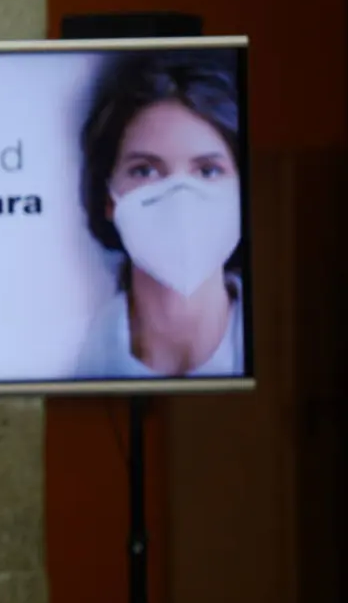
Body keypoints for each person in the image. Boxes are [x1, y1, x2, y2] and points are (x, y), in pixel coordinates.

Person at [74, 49, 247, 378]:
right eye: (145, 171)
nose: (179, 197)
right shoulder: (73, 358)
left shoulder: (287, 355)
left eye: (208, 171)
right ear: (108, 198)